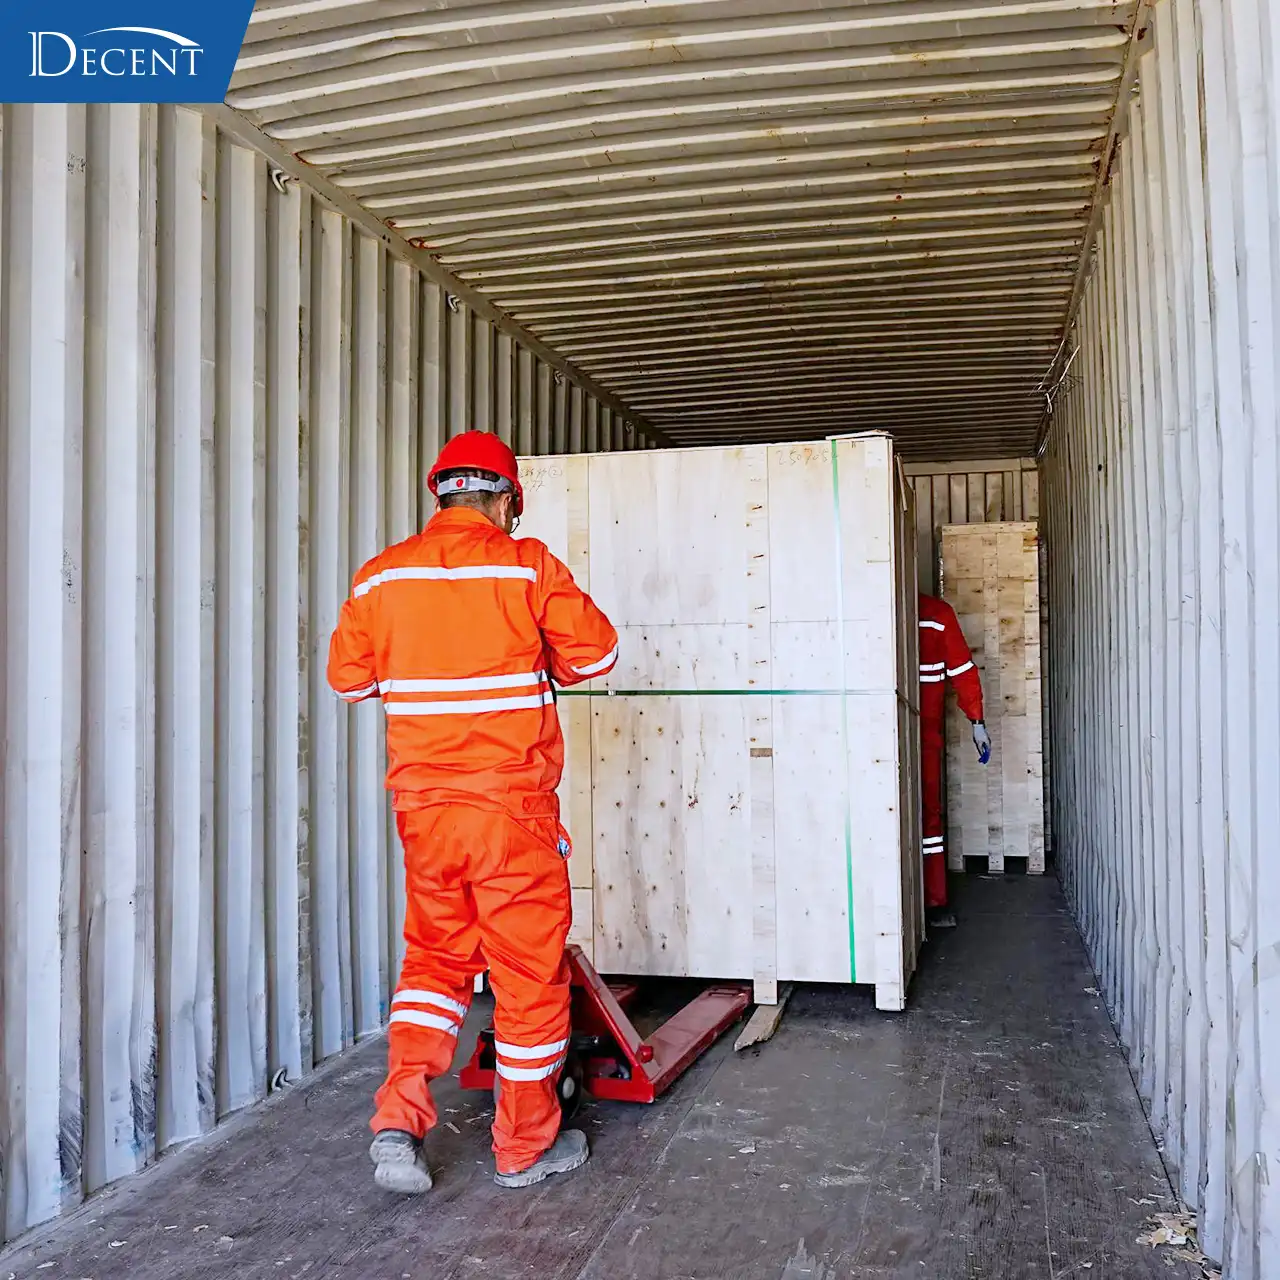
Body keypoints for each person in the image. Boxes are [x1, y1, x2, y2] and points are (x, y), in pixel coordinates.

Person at [327, 431, 618, 1193]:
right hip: (510, 812)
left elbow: (350, 682)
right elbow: (598, 656)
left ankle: (398, 1120)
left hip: (424, 813)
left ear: (441, 496)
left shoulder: (379, 579)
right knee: (526, 977)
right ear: (506, 500)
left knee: (432, 964)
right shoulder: (525, 566)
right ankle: (524, 1147)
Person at [918, 592, 991, 929]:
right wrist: (977, 721)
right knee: (927, 816)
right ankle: (933, 902)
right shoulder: (936, 613)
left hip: (866, 738)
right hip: (921, 738)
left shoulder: (863, 608)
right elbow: (963, 670)